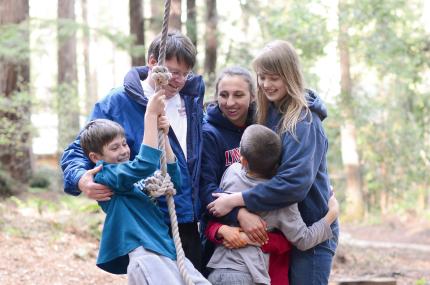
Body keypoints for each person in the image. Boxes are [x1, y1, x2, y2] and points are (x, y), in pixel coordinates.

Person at [61, 31, 204, 271]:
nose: (178, 80)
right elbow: (79, 149)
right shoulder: (116, 102)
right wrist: (80, 179)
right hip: (145, 219)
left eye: (184, 74)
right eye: (172, 72)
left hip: (188, 219)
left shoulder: (191, 100)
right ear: (152, 63)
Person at [207, 40, 339, 284]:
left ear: (289, 76)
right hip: (282, 233)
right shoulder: (268, 112)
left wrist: (236, 201)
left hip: (311, 230)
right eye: (262, 77)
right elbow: (229, 107)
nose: (266, 84)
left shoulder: (304, 122)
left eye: (274, 78)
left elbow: (293, 184)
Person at [79, 91, 209, 285]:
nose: (123, 151)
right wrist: (150, 117)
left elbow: (174, 181)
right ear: (95, 157)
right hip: (144, 252)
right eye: (114, 148)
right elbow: (145, 165)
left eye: (124, 144)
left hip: (165, 249)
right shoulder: (107, 176)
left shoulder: (135, 180)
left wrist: (163, 137)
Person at [205, 124, 339, 285]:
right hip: (249, 274)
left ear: (242, 160)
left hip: (217, 271)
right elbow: (304, 239)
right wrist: (332, 214)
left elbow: (211, 210)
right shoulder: (282, 199)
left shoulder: (231, 173)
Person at [198, 66, 256, 274]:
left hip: (264, 230)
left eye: (238, 95)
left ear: (252, 96)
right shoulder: (209, 133)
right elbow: (205, 188)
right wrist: (238, 213)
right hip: (221, 234)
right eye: (224, 95)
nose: (230, 102)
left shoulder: (262, 127)